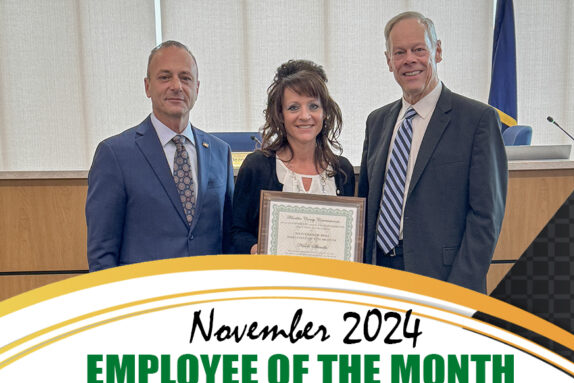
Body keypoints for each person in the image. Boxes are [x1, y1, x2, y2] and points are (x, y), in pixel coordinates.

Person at [358, 12, 507, 293]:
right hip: (380, 280)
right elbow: (367, 206)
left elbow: (486, 218)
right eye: (399, 52)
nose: (409, 60)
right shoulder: (376, 122)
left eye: (418, 50)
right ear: (389, 61)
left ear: (437, 51)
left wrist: (456, 293)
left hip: (443, 280)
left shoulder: (477, 120)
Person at [86, 40, 233, 271]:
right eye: (165, 77)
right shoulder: (114, 154)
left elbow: (229, 238)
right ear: (147, 86)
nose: (176, 86)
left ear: (197, 88)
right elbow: (102, 253)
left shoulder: (219, 152)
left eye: (185, 78)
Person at [232, 60, 355, 254]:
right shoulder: (257, 167)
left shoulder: (341, 170)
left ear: (325, 113)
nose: (305, 116)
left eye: (313, 106)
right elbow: (235, 233)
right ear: (280, 114)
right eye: (293, 107)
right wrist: (257, 249)